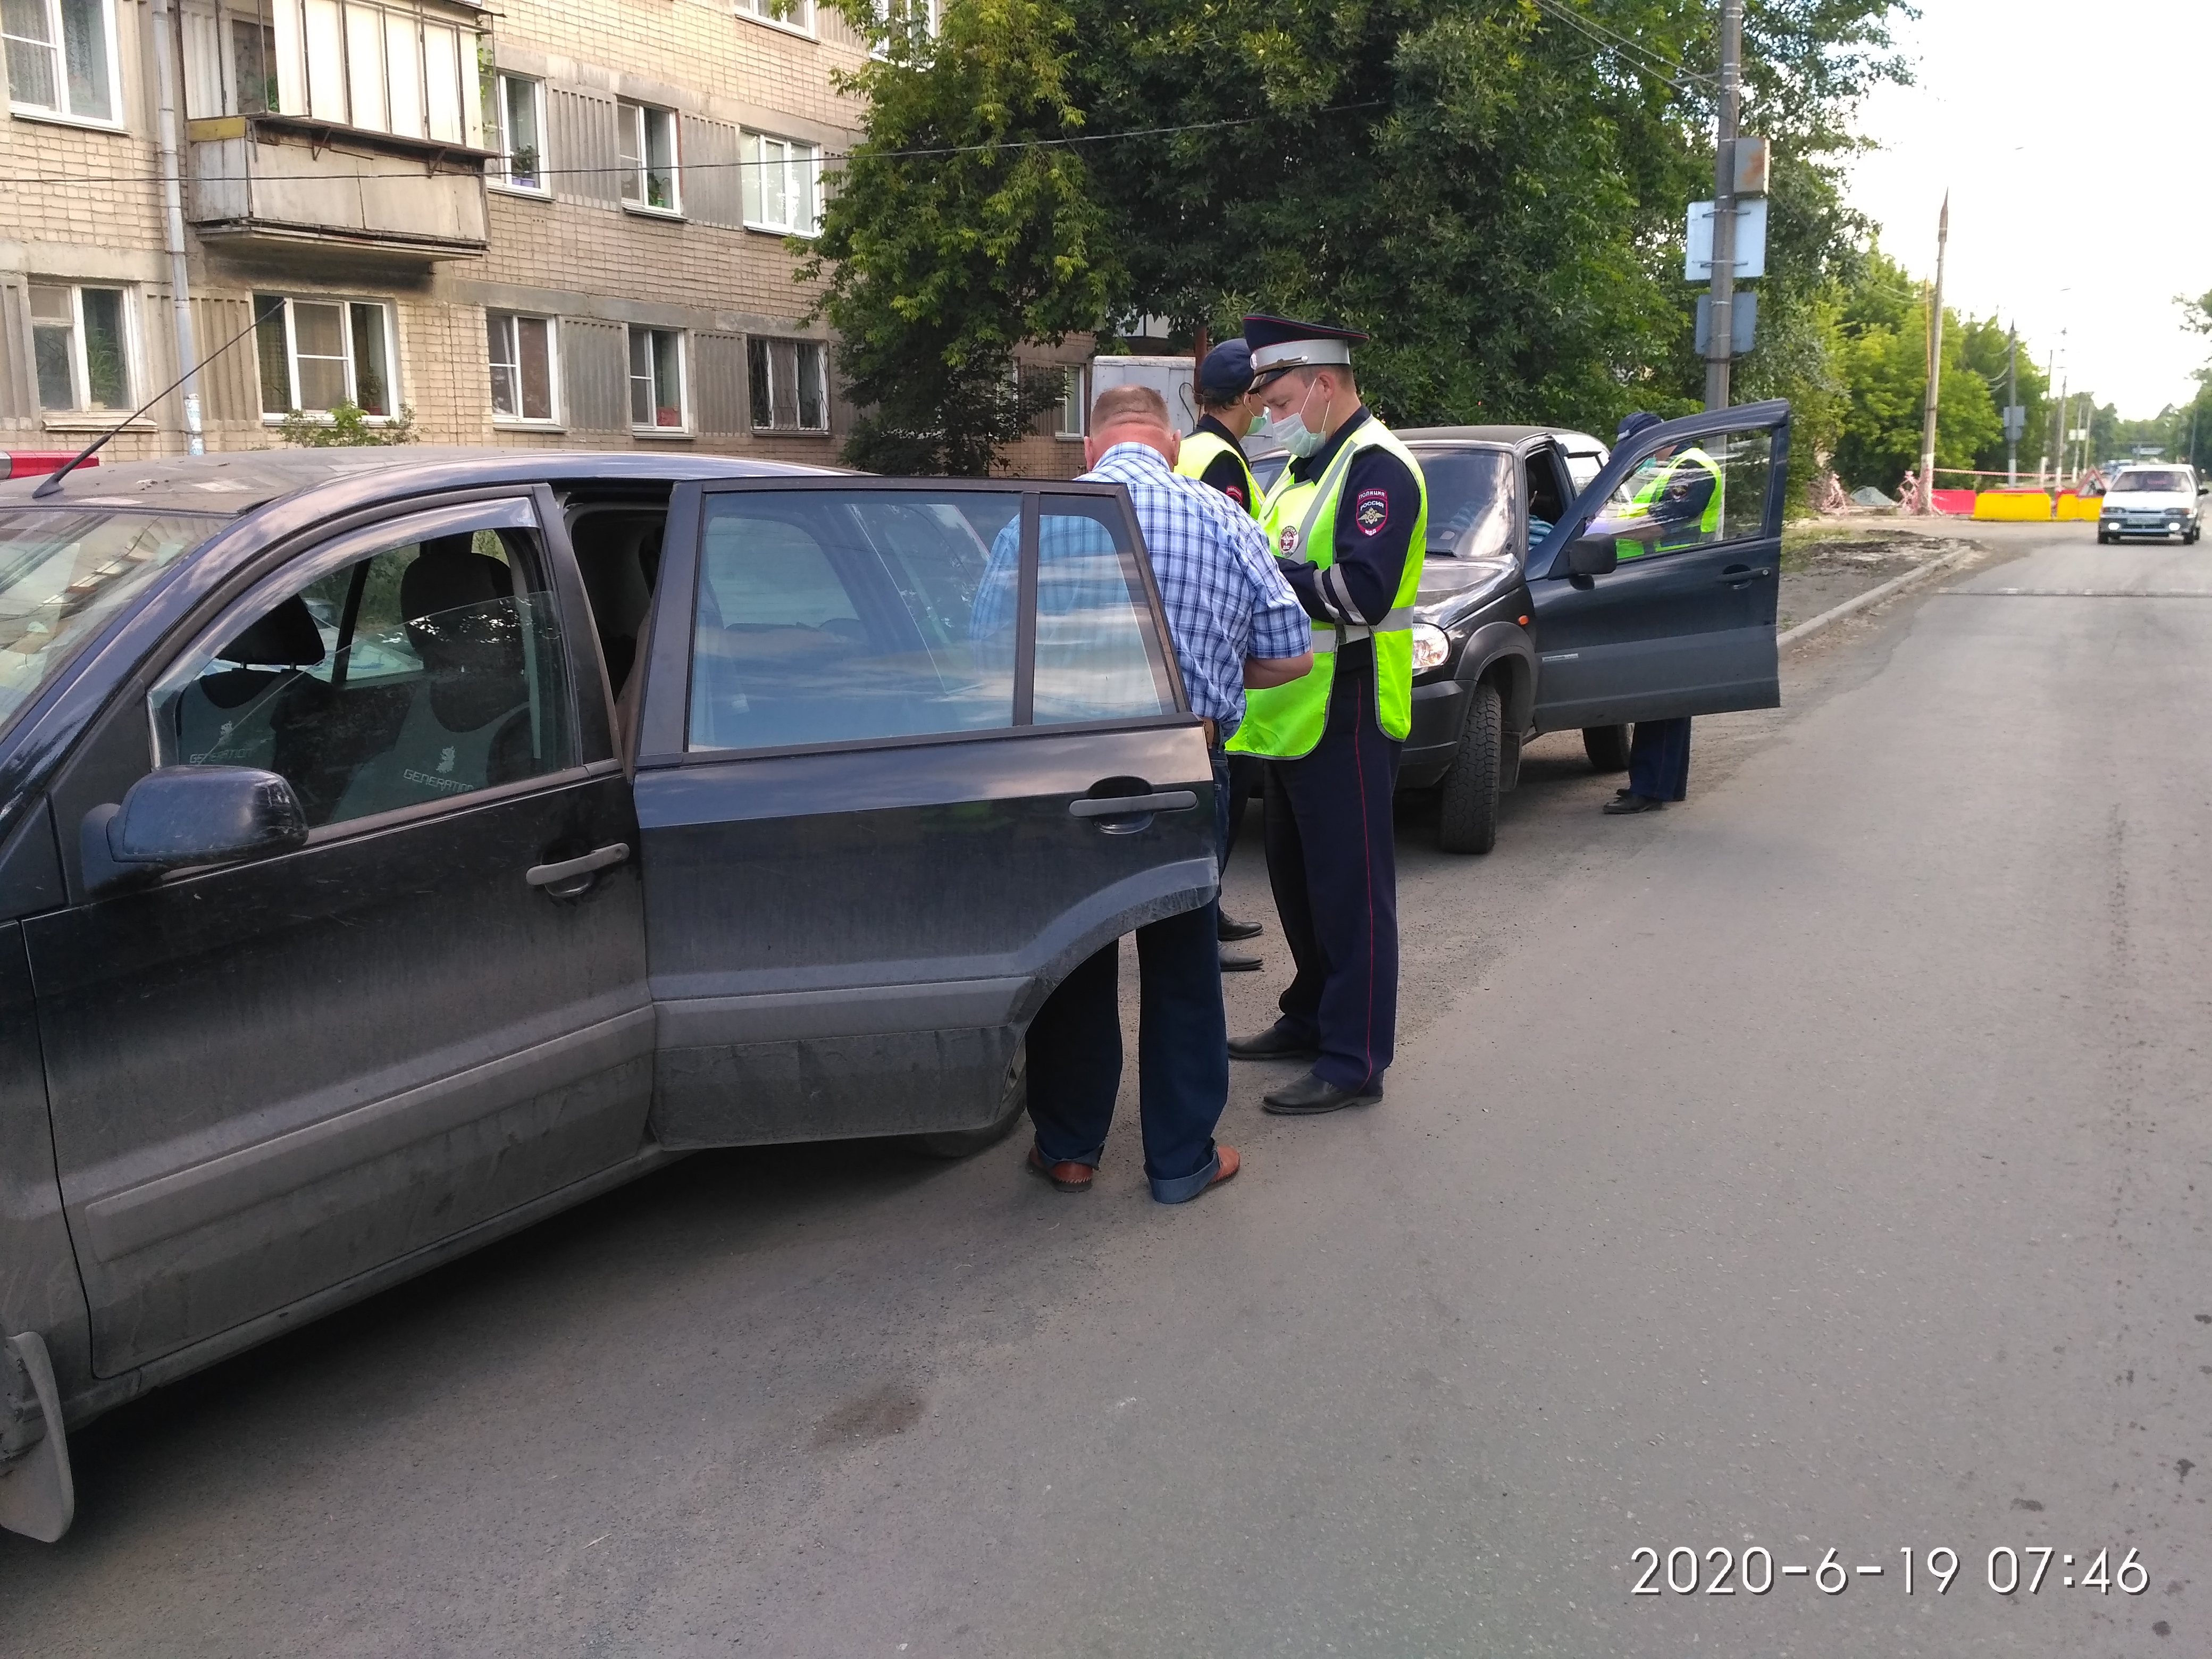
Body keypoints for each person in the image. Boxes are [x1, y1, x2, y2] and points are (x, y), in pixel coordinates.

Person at [1020, 383, 1312, 1202]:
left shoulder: (1041, 519)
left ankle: (1070, 1149)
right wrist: (1214, 669)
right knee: (1183, 960)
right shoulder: (1220, 516)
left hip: (1069, 767)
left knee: (1074, 954)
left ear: (1091, 448)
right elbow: (1293, 654)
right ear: (1173, 444)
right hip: (1186, 761)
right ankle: (1180, 1160)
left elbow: (988, 648)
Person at [1224, 314, 1429, 1116]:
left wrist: (1272, 579)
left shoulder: (1378, 468)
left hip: (1348, 711)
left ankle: (1354, 1058)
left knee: (1351, 894)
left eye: (1278, 401)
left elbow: (1361, 592)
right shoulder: (1307, 471)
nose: (1271, 417)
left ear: (1322, 383)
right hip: (1291, 716)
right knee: (1300, 886)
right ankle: (1311, 1016)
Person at [1176, 338, 1271, 970]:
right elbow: (1230, 561)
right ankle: (1199, 927)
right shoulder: (1220, 464)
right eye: (1263, 395)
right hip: (1213, 650)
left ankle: (1207, 913)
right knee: (1218, 796)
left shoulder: (1191, 447)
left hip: (1185, 644)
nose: (1269, 406)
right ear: (1244, 398)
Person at [1596, 409, 1720, 815]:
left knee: (1662, 693)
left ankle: (1649, 788)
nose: (1638, 457)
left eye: (1637, 448)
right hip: (1664, 583)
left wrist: (1601, 530)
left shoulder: (1692, 469)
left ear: (1655, 439)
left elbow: (1660, 526)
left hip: (1675, 585)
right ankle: (1662, 783)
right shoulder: (1673, 468)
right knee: (1666, 692)